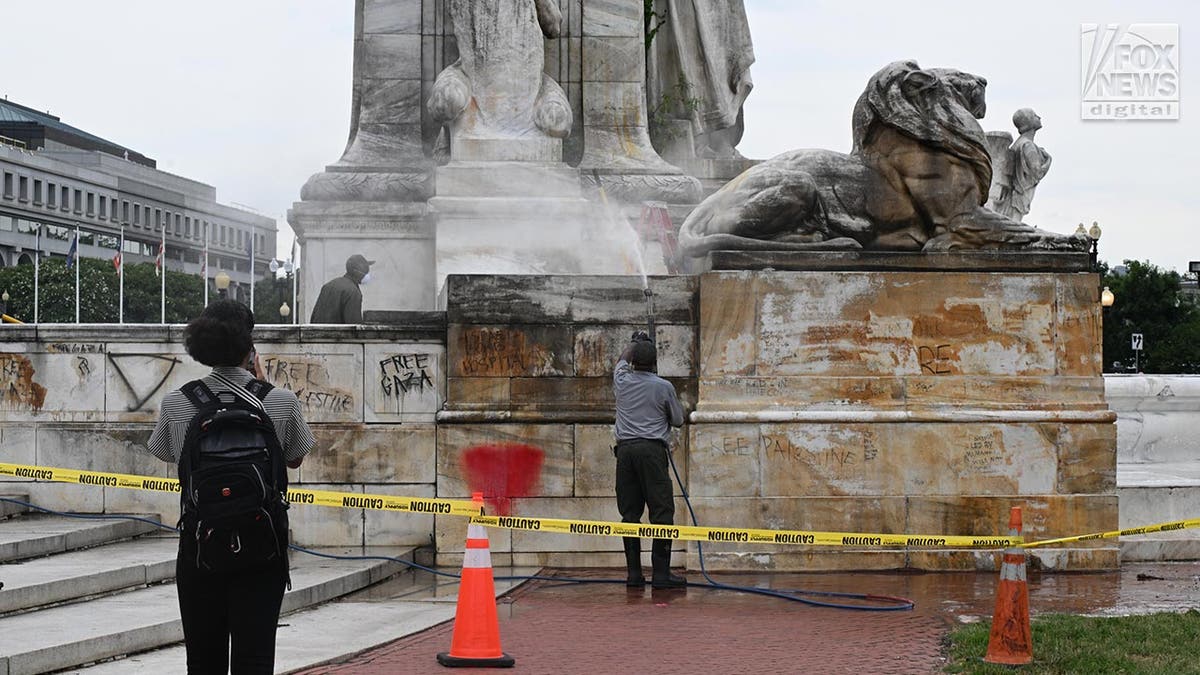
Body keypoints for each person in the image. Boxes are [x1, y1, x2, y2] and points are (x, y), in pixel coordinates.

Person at [148, 299, 315, 674]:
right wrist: (261, 383)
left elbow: (169, 454)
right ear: (250, 347)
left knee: (203, 659)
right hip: (263, 547)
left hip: (200, 545)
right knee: (254, 658)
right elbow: (295, 458)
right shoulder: (280, 401)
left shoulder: (177, 403)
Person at [613, 331, 686, 590]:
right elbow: (677, 420)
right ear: (655, 363)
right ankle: (661, 573)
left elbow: (620, 360)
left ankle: (634, 574)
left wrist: (634, 342)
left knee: (630, 513)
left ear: (633, 360)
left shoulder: (621, 380)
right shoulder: (663, 387)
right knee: (662, 511)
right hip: (652, 452)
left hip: (625, 453)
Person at [994, 108, 1052, 222]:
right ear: (1029, 121)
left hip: (1012, 196)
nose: (1039, 117)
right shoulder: (1027, 145)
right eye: (1035, 115)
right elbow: (1037, 172)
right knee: (1013, 224)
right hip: (1018, 196)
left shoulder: (1018, 143)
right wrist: (1049, 159)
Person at [309, 254, 374, 323]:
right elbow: (354, 325)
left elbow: (314, 317)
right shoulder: (353, 292)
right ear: (356, 272)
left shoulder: (327, 286)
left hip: (316, 332)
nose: (367, 274)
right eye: (365, 271)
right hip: (337, 333)